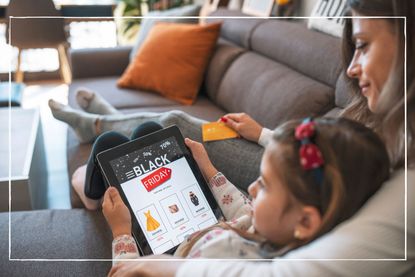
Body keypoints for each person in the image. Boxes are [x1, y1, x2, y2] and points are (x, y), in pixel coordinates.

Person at [104, 0, 415, 276]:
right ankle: (99, 131)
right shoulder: (380, 126)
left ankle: (97, 141)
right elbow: (250, 207)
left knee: (151, 132)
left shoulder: (404, 188)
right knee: (151, 132)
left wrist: (129, 238)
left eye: (363, 44)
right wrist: (263, 136)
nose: (350, 69)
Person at [103, 117, 390, 264]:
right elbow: (243, 210)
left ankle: (89, 188)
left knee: (108, 143)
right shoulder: (271, 229)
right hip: (199, 226)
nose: (252, 187)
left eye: (264, 185)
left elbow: (129, 273)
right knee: (148, 132)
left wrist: (121, 233)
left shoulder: (225, 261)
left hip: (165, 253)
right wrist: (209, 170)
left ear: (305, 221)